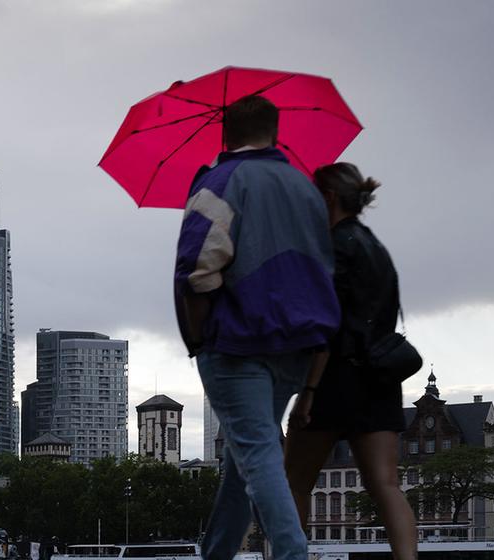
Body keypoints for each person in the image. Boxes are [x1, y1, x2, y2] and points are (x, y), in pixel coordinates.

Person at [174, 95, 340, 560]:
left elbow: (197, 269)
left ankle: (292, 554)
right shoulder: (305, 188)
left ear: (226, 133)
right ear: (277, 131)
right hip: (299, 344)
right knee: (242, 457)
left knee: (259, 455)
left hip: (238, 343)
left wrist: (201, 336)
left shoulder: (220, 182)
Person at [284, 163, 417, 560]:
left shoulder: (332, 247)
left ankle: (292, 554)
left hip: (335, 379)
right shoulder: (377, 247)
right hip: (381, 378)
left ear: (326, 198)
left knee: (295, 481)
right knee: (386, 484)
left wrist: (307, 393)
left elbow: (327, 327)